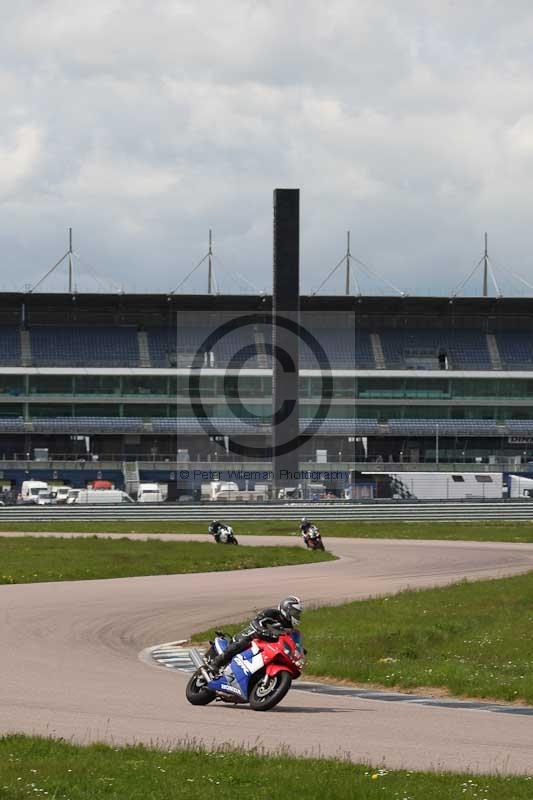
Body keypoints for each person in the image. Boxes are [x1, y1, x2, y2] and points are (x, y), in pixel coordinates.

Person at [207, 596, 303, 674]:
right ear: (287, 609)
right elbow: (256, 621)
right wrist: (262, 630)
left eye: (298, 613)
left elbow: (290, 639)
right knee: (243, 642)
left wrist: (298, 649)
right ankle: (217, 662)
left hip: (267, 644)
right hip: (254, 635)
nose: (296, 615)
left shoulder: (289, 627)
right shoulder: (272, 613)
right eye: (295, 612)